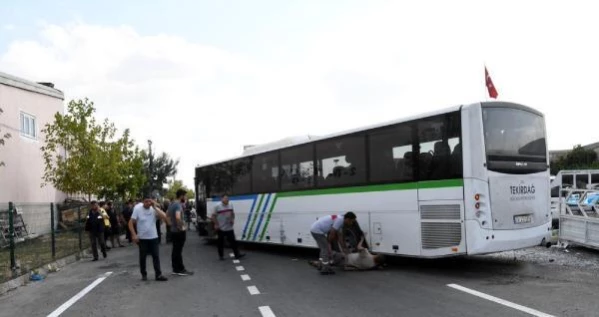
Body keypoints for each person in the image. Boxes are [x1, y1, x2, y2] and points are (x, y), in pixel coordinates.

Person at [129, 196, 170, 281]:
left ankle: (158, 275)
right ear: (143, 202)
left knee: (156, 256)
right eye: (146, 202)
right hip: (142, 238)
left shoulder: (153, 209)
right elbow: (130, 223)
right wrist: (134, 235)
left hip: (153, 237)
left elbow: (165, 217)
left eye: (149, 202)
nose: (148, 203)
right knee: (143, 257)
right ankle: (144, 274)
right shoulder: (138, 209)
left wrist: (155, 207)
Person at [167, 189, 194, 276]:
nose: (186, 198)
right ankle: (181, 269)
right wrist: (181, 226)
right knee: (178, 251)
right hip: (179, 232)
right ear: (181, 196)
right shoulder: (178, 205)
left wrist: (170, 224)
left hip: (173, 231)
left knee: (175, 250)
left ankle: (175, 269)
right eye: (185, 196)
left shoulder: (171, 204)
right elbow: (178, 217)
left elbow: (166, 215)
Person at [212, 194, 245, 260]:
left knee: (233, 241)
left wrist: (232, 219)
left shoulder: (230, 205)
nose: (227, 199)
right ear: (222, 199)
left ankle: (237, 254)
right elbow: (213, 216)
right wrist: (216, 224)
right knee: (220, 242)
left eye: (227, 198)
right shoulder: (217, 206)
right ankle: (221, 256)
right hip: (221, 228)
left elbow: (232, 213)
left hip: (229, 227)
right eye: (225, 198)